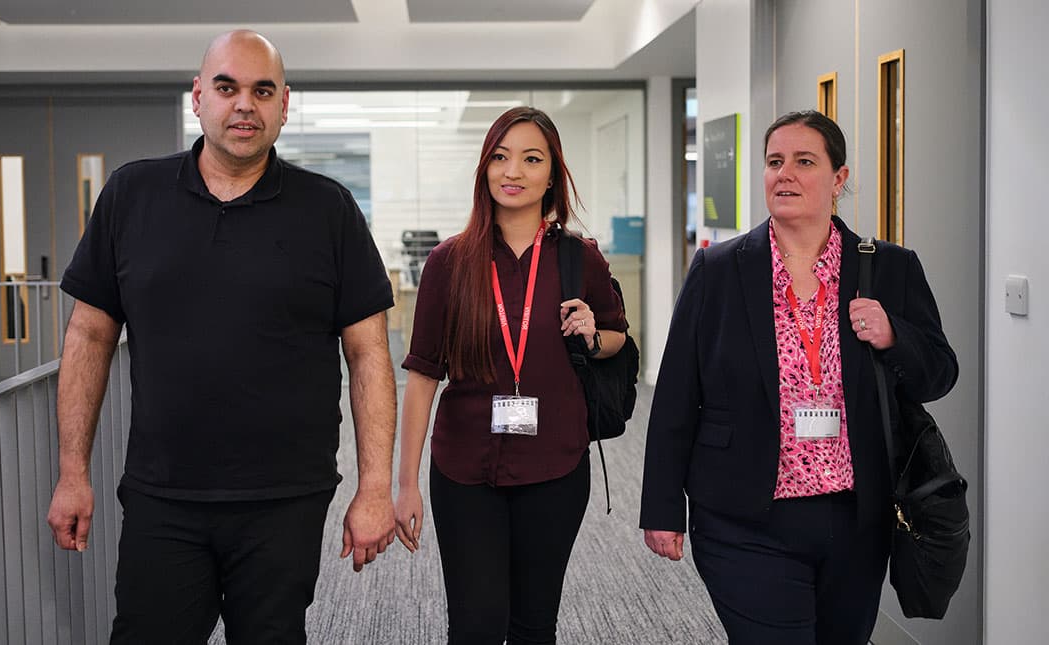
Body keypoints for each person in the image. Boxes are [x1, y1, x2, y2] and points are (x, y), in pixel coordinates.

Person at [45, 30, 398, 643]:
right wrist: (72, 472)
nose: (245, 105)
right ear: (198, 97)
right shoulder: (132, 196)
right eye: (227, 87)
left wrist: (373, 488)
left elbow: (368, 354)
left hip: (285, 499)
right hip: (164, 496)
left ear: (285, 105)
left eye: (263, 91)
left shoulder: (329, 210)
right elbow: (89, 336)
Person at [639, 110, 958, 644]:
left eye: (803, 161)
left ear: (839, 179)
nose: (784, 173)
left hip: (857, 518)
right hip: (743, 516)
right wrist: (662, 506)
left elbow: (938, 375)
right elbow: (675, 394)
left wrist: (893, 335)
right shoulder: (718, 270)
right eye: (774, 162)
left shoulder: (890, 268)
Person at [393, 106, 629, 644]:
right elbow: (424, 375)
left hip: (555, 465)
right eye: (500, 157)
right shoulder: (449, 263)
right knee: (475, 625)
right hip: (463, 468)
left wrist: (593, 332)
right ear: (484, 169)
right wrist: (406, 485)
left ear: (552, 172)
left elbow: (617, 337)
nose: (513, 171)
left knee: (533, 624)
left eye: (530, 158)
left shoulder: (580, 258)